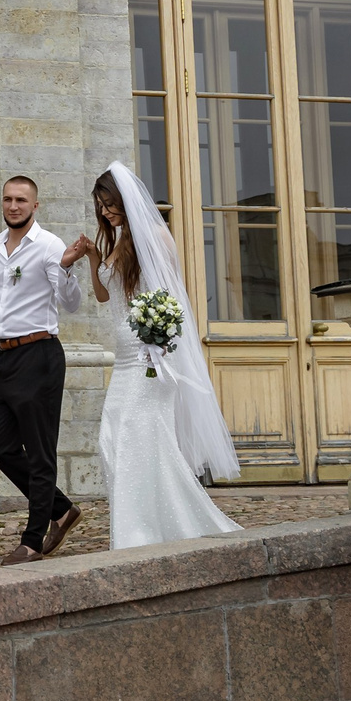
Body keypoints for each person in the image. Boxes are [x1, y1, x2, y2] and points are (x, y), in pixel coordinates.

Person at [84, 164, 241, 549]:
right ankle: (141, 525)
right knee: (113, 436)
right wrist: (92, 257)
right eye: (101, 207)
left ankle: (141, 532)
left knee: (139, 437)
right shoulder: (116, 242)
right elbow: (105, 297)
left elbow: (169, 297)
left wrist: (157, 337)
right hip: (122, 356)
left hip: (147, 354)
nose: (106, 212)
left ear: (126, 200)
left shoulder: (155, 237)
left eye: (110, 204)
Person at [0, 175, 94, 565]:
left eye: (21, 200)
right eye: (7, 199)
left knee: (40, 452)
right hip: (2, 358)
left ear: (35, 205)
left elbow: (71, 304)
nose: (13, 206)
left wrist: (67, 267)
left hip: (40, 354)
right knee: (0, 446)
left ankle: (33, 539)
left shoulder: (49, 245)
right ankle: (61, 509)